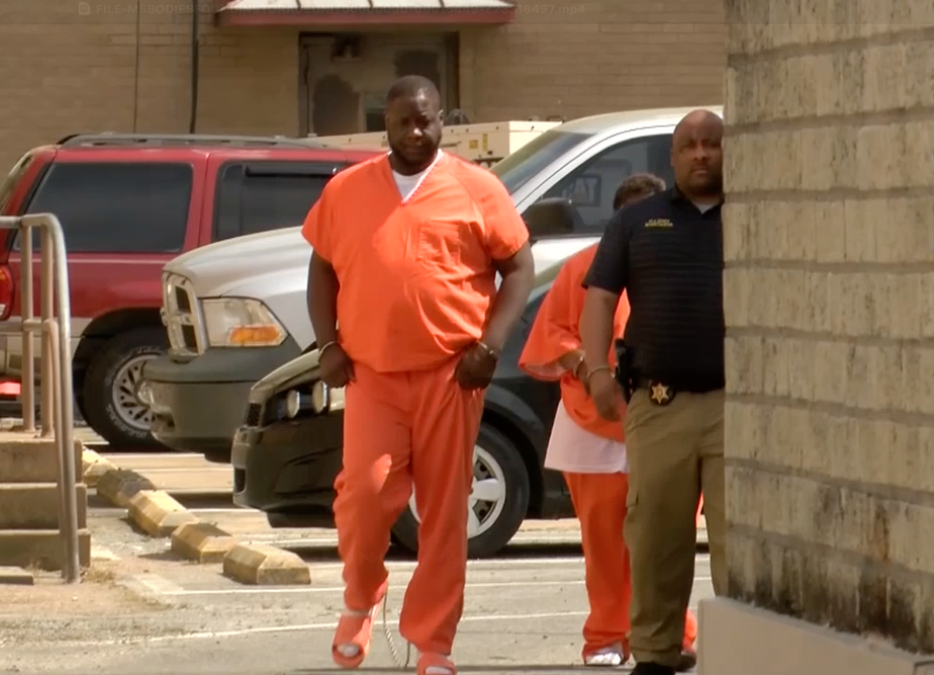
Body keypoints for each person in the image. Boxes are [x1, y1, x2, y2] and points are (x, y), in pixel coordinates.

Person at [302, 74, 536, 675]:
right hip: (371, 374)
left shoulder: (477, 188)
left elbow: (519, 267)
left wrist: (491, 345)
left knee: (444, 513)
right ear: (386, 121)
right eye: (404, 119)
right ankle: (361, 594)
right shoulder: (348, 189)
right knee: (365, 493)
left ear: (442, 122)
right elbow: (322, 269)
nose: (415, 130)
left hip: (451, 374)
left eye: (427, 119)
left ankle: (432, 644)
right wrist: (326, 342)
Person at [518, 173, 703, 670]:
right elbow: (550, 332)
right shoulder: (582, 267)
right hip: (591, 423)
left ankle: (675, 634)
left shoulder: (688, 262)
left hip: (669, 416)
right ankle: (605, 634)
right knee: (604, 542)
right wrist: (584, 362)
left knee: (667, 535)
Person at [578, 110, 728, 675]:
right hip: (658, 405)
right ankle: (658, 655)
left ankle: (743, 650)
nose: (701, 154)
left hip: (739, 407)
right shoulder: (637, 222)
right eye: (689, 145)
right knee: (658, 540)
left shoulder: (761, 214)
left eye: (711, 144)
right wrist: (596, 373)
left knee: (741, 544)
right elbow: (598, 298)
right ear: (672, 156)